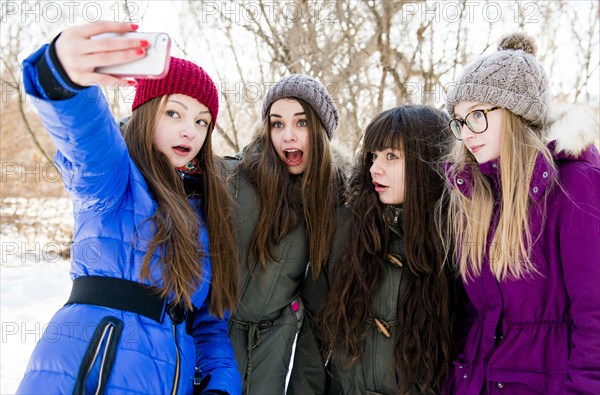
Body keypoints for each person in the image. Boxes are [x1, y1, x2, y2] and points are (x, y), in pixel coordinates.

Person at [18, 21, 241, 394]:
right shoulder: (115, 176)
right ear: (146, 112)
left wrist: (221, 383)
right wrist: (63, 75)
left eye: (202, 121)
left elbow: (207, 322)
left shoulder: (205, 210)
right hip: (92, 367)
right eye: (174, 113)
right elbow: (84, 133)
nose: (190, 130)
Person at [444, 32, 600, 394]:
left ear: (516, 113)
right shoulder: (477, 195)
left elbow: (595, 317)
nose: (466, 133)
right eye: (459, 120)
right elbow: (476, 318)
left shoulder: (575, 187)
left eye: (478, 115)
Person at [288, 105, 457, 394]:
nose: (374, 168)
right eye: (374, 155)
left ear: (428, 161)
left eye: (392, 156)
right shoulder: (345, 227)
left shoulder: (456, 240)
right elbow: (313, 333)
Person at [223, 75, 345, 394]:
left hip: (273, 351)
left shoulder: (334, 201)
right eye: (277, 124)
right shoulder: (234, 178)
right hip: (216, 341)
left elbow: (320, 309)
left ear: (320, 130)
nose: (288, 136)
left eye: (301, 123)